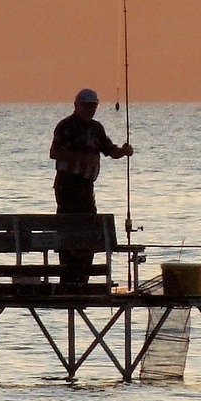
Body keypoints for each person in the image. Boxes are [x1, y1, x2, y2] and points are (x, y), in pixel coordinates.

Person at [49, 88, 133, 285]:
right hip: (67, 185)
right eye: (86, 105)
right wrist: (83, 158)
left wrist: (123, 151)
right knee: (69, 227)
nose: (89, 109)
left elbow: (110, 150)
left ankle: (83, 277)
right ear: (76, 105)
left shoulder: (96, 128)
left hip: (87, 186)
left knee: (89, 227)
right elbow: (55, 153)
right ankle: (68, 277)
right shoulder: (65, 126)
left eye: (93, 106)